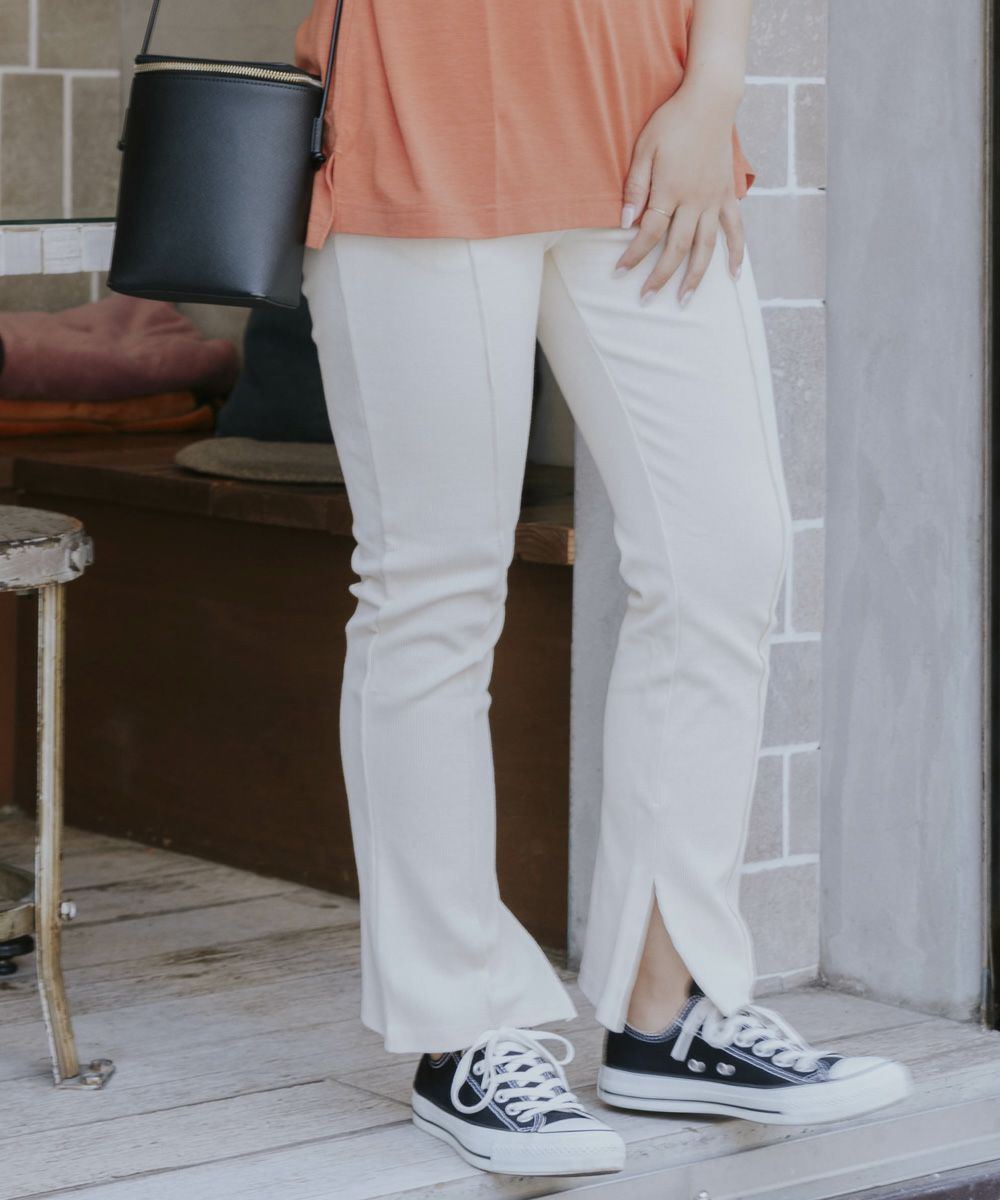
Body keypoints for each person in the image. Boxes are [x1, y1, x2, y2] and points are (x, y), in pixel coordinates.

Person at [293, 0, 914, 1178]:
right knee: (432, 586)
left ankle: (663, 1010)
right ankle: (463, 1029)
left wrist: (713, 87)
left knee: (724, 555)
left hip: (643, 118)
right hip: (420, 109)